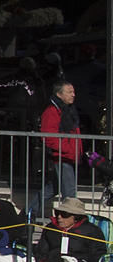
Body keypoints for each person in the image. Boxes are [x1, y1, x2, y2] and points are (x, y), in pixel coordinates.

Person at [40, 78, 85, 217]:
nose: (73, 94)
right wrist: (67, 149)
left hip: (68, 156)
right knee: (70, 193)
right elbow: (48, 137)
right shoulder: (52, 111)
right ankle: (71, 220)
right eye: (69, 92)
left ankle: (29, 211)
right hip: (61, 156)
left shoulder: (68, 110)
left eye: (73, 91)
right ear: (59, 94)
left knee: (52, 189)